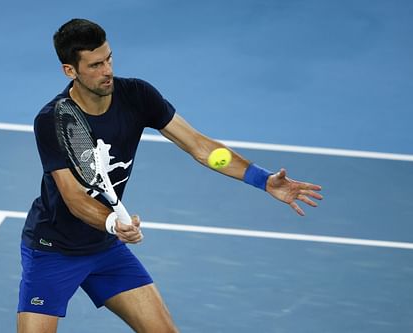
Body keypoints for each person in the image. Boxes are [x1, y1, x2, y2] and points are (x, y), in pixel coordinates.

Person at [17, 18, 323, 333]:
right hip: (52, 251)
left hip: (104, 249)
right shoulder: (53, 120)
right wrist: (113, 223)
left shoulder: (137, 95)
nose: (107, 70)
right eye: (95, 65)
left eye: (108, 58)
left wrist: (262, 179)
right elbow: (74, 198)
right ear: (71, 71)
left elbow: (200, 146)